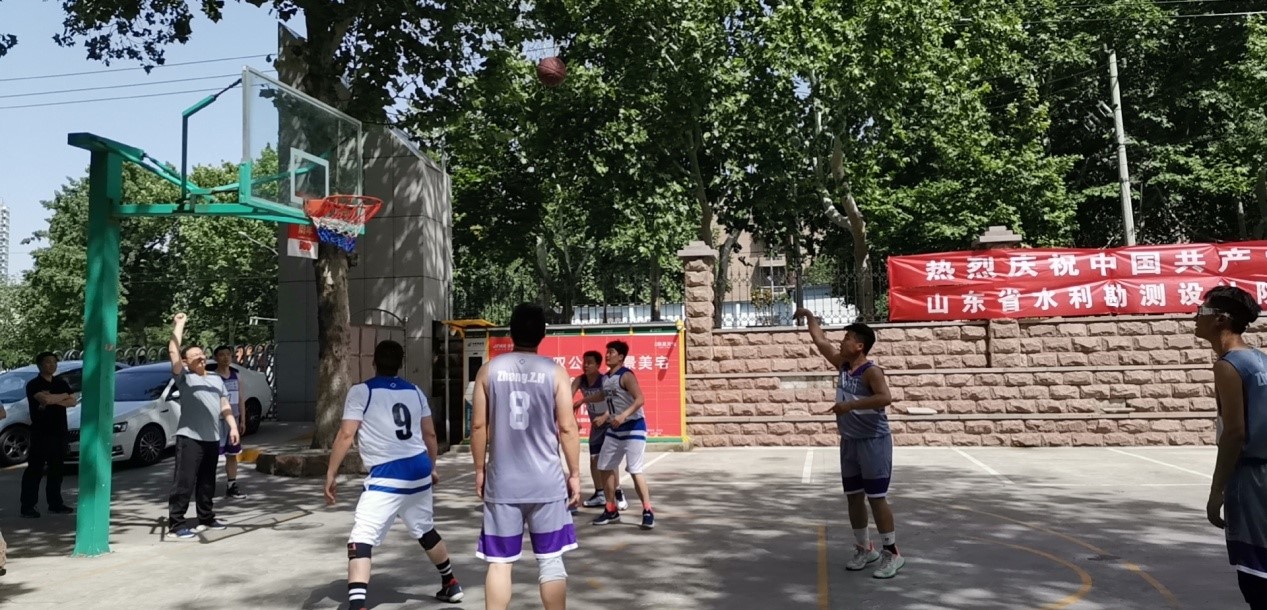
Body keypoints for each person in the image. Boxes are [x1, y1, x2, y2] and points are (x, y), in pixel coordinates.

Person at [325, 340, 463, 608]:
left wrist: (331, 473)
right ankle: (451, 583)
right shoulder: (415, 392)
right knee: (425, 529)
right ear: (401, 364)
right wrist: (432, 466)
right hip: (418, 470)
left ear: (373, 362)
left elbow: (346, 434)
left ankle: (357, 604)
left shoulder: (361, 392)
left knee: (361, 538)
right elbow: (430, 434)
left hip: (387, 475)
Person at [471, 303, 581, 610]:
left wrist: (479, 470)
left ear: (510, 331)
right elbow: (567, 427)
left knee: (499, 563)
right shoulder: (555, 372)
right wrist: (574, 474)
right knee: (551, 560)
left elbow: (478, 425)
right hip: (547, 482)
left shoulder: (488, 370)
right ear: (543, 333)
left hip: (503, 482)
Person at [795, 308, 904, 579]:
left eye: (847, 339)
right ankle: (865, 548)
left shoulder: (871, 372)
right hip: (850, 442)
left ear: (859, 346)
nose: (841, 342)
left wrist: (850, 405)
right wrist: (809, 317)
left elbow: (885, 398)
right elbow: (821, 341)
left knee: (876, 498)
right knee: (854, 497)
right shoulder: (842, 365)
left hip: (873, 441)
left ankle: (892, 552)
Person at [1197, 286, 1267, 609]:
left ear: (1221, 320)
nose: (1196, 318)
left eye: (1202, 312)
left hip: (1252, 479)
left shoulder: (1228, 365)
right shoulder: (1259, 359)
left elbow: (1235, 433)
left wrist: (1217, 490)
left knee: (1255, 573)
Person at [166, 313, 240, 540]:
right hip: (189, 438)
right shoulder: (184, 378)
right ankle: (176, 524)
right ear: (185, 362)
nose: (200, 356)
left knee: (208, 481)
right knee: (184, 481)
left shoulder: (216, 379)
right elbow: (173, 351)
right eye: (194, 355)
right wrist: (179, 325)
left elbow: (224, 405)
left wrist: (233, 427)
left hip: (212, 437)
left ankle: (206, 517)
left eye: (201, 353)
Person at [587, 340, 655, 529]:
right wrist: (583, 402)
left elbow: (640, 399)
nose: (607, 355)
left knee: (634, 470)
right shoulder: (606, 378)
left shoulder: (626, 375)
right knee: (604, 466)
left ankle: (647, 510)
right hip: (615, 429)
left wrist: (624, 415)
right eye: (607, 352)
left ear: (621, 357)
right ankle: (611, 509)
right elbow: (604, 396)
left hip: (634, 428)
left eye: (611, 352)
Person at [20, 351, 77, 518]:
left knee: (57, 470)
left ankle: (55, 504)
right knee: (35, 469)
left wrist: (55, 398)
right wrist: (61, 398)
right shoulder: (34, 384)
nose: (51, 365)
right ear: (40, 365)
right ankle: (28, 506)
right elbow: (45, 400)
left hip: (60, 432)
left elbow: (73, 401)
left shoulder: (61, 383)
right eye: (47, 362)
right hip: (41, 433)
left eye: (54, 362)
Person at [573, 350, 627, 510]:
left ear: (598, 365)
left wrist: (604, 416)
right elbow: (566, 399)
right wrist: (574, 420)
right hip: (596, 425)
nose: (585, 365)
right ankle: (600, 494)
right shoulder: (580, 380)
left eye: (589, 363)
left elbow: (616, 402)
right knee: (594, 459)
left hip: (610, 422)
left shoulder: (605, 380)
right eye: (584, 362)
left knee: (610, 460)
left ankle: (618, 492)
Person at [212, 346, 248, 499]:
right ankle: (207, 486)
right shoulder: (212, 377)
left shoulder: (236, 376)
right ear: (215, 358)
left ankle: (232, 485)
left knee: (232, 454)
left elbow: (240, 399)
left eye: (228, 354)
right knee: (212, 454)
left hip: (234, 420)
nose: (226, 358)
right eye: (222, 355)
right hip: (217, 421)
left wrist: (242, 420)